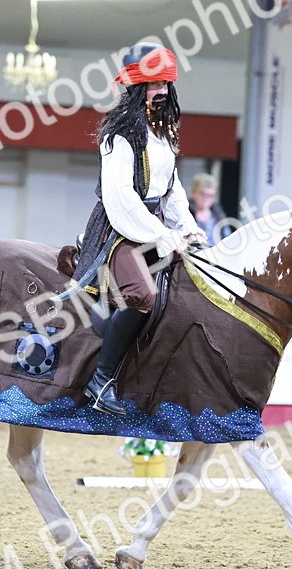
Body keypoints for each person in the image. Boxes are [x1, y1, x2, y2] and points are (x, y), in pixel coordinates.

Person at [72, 41, 206, 416]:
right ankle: (101, 382)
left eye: (164, 84)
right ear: (136, 88)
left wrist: (189, 229)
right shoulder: (119, 135)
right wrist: (162, 236)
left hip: (154, 226)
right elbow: (123, 200)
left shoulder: (164, 132)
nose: (160, 91)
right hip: (120, 231)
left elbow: (172, 191)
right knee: (142, 293)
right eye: (152, 85)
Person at [189, 172, 232, 245]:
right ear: (193, 193)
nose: (206, 198)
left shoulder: (219, 216)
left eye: (210, 195)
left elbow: (229, 241)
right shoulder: (184, 214)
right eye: (202, 194)